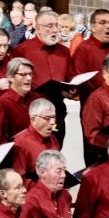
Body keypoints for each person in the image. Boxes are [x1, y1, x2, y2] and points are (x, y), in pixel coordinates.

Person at [13, 10, 76, 142]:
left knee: (55, 151)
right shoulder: (22, 50)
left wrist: (71, 91)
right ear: (38, 28)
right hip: (31, 113)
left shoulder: (63, 52)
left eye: (55, 26)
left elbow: (70, 79)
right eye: (49, 26)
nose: (54, 30)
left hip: (57, 112)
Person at [71, 9, 109, 104]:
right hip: (93, 104)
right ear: (93, 27)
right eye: (102, 23)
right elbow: (81, 80)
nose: (108, 26)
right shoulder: (83, 49)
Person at [12, 98, 61, 188]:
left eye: (53, 117)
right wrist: (44, 188)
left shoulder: (53, 138)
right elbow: (19, 180)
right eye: (47, 118)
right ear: (33, 119)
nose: (53, 123)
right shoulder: (20, 144)